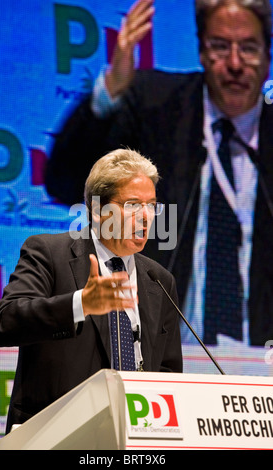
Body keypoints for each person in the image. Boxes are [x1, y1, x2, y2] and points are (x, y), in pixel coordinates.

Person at [45, 0, 273, 347]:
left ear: (268, 54)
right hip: (162, 357)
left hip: (260, 366)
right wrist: (112, 91)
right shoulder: (158, 108)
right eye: (220, 46)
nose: (235, 63)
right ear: (199, 49)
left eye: (249, 48)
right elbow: (65, 180)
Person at [0, 148, 183, 433]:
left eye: (152, 205)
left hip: (133, 437)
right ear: (97, 209)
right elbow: (4, 324)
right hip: (53, 433)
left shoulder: (159, 280)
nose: (146, 216)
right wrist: (80, 304)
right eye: (132, 205)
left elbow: (167, 372)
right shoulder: (48, 253)